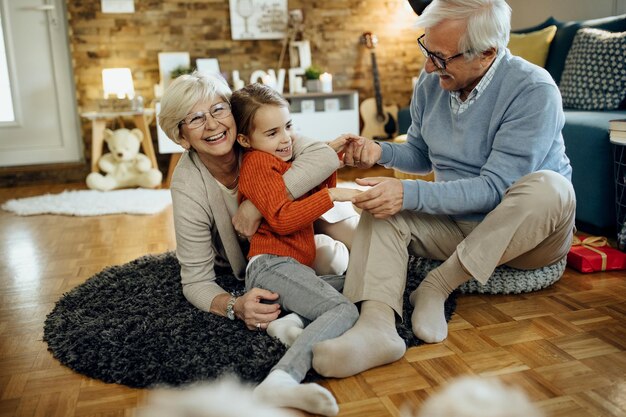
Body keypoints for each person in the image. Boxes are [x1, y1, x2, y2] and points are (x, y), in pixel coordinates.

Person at [311, 0, 576, 378]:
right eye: (427, 50)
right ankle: (376, 327)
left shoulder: (532, 90)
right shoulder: (432, 82)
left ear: (487, 53)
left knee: (550, 187)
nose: (427, 66)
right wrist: (378, 151)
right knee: (383, 209)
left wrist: (409, 194)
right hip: (457, 222)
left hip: (527, 235)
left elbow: (495, 189)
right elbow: (421, 153)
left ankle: (438, 284)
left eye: (440, 57)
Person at [158, 71, 358, 332]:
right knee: (323, 269)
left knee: (364, 235)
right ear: (182, 138)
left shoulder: (262, 133)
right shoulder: (187, 185)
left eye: (218, 110)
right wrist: (234, 305)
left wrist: (255, 206)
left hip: (306, 223)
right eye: (196, 118)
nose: (212, 125)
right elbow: (196, 282)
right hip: (261, 257)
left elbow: (321, 157)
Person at [229, 83, 360, 416]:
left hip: (290, 268)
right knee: (344, 310)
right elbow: (283, 219)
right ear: (246, 141)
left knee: (361, 285)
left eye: (288, 127)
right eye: (272, 133)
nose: (285, 138)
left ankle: (288, 322)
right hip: (270, 266)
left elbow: (312, 188)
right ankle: (281, 380)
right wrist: (331, 196)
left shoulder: (280, 161)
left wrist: (331, 159)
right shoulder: (258, 164)